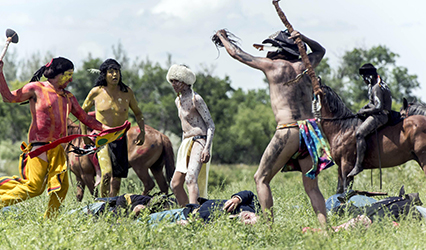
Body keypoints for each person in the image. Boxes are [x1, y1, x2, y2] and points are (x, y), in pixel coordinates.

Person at [213, 29, 327, 225]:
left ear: (278, 50)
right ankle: (325, 229)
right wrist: (303, 38)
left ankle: (269, 229)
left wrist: (222, 37)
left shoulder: (272, 66)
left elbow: (237, 54)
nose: (267, 53)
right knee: (312, 188)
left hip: (288, 129)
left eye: (270, 49)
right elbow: (320, 50)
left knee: (261, 179)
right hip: (311, 131)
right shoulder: (304, 65)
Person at [0, 57, 111, 218]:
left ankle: (50, 221)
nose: (71, 79)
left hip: (59, 147)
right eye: (68, 75)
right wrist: (0, 73)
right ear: (57, 74)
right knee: (33, 187)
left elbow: (85, 119)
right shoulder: (36, 88)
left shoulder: (68, 97)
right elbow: (9, 97)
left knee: (61, 187)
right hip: (39, 147)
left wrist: (106, 129)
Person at [81, 59, 145, 197]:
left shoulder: (127, 92)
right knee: (107, 174)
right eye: (111, 72)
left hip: (120, 138)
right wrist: (84, 134)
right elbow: (82, 113)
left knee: (116, 180)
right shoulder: (96, 92)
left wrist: (142, 132)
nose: (115, 75)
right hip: (102, 138)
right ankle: (101, 205)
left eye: (117, 71)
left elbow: (138, 113)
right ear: (104, 74)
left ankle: (112, 207)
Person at [167, 64, 215, 206]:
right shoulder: (178, 101)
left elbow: (210, 125)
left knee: (190, 178)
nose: (173, 84)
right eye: (172, 81)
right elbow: (184, 129)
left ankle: (194, 214)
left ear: (185, 82)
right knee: (175, 184)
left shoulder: (196, 99)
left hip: (200, 140)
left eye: (177, 81)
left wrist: (207, 147)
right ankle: (185, 212)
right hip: (185, 142)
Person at [347, 63, 392, 177]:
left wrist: (364, 112)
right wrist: (364, 108)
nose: (363, 80)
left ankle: (358, 165)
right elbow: (372, 103)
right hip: (378, 114)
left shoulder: (377, 87)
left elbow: (378, 107)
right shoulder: (375, 85)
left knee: (359, 133)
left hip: (380, 116)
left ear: (369, 76)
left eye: (364, 78)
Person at [146, 190, 260, 226]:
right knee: (147, 219)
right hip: (187, 210)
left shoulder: (230, 225)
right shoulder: (253, 207)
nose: (248, 218)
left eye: (248, 222)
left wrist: (191, 225)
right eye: (252, 217)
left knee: (152, 228)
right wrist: (237, 199)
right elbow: (249, 194)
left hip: (186, 222)